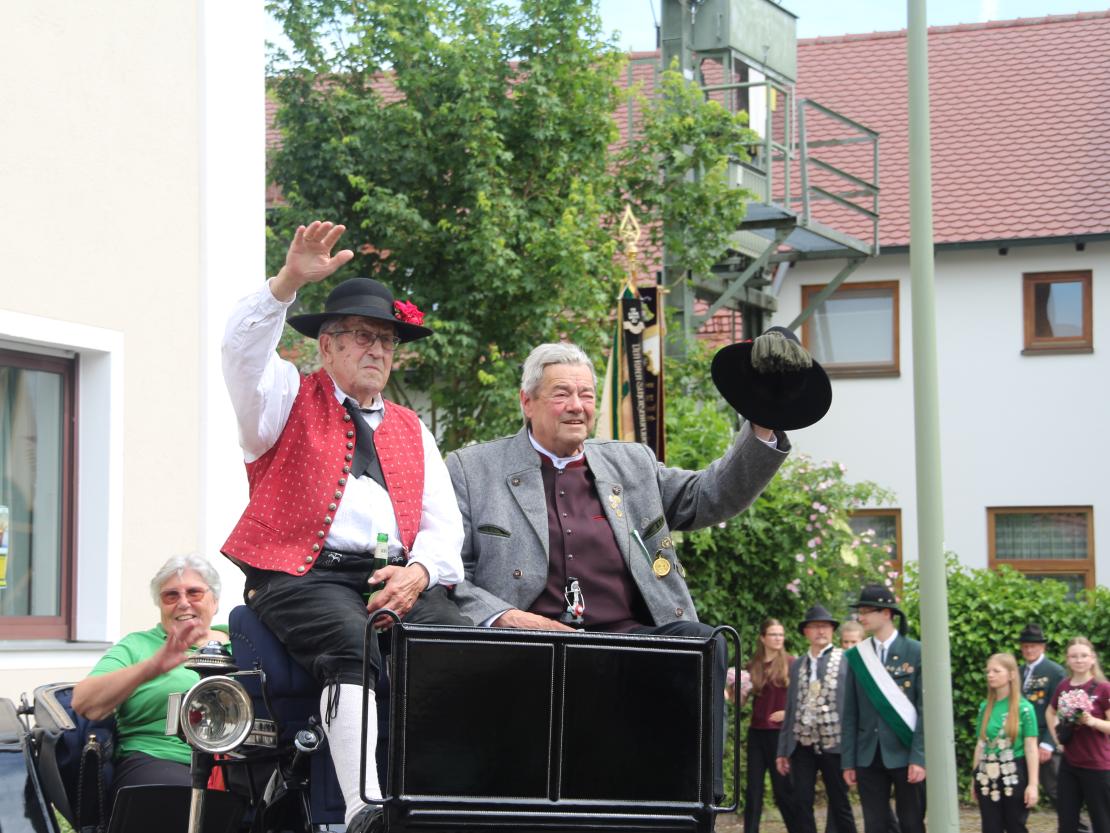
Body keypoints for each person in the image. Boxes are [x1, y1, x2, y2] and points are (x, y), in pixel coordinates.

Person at [445, 340, 804, 800]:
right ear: (527, 401)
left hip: (629, 645)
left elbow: (711, 496)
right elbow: (449, 571)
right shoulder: (472, 470)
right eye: (561, 394)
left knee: (701, 642)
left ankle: (699, 798)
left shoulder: (631, 464)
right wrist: (505, 618)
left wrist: (764, 419)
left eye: (587, 395)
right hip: (527, 651)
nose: (577, 407)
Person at [220, 220, 467, 833]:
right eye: (360, 337)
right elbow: (240, 353)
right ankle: (363, 810)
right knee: (353, 645)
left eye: (386, 340)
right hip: (301, 575)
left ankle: (457, 799)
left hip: (393, 574)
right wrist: (287, 283)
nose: (377, 350)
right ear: (325, 347)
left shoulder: (413, 428)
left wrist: (418, 573)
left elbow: (444, 528)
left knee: (468, 649)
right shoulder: (281, 400)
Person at [72, 555, 229, 802]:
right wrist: (152, 666)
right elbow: (84, 702)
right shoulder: (138, 646)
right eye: (171, 596)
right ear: (160, 604)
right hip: (159, 758)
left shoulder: (244, 642)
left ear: (215, 601)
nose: (183, 603)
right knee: (177, 800)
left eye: (194, 593)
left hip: (240, 763)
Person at [840, 585, 925, 833]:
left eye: (867, 611)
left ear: (887, 613)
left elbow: (924, 711)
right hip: (868, 754)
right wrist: (849, 762)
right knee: (874, 825)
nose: (861, 617)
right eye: (860, 611)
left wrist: (920, 758)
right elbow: (850, 713)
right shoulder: (858, 656)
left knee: (911, 823)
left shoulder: (915, 651)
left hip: (904, 751)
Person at [777, 605, 856, 833]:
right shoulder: (799, 664)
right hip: (803, 745)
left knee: (839, 803)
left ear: (832, 631)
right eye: (816, 627)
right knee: (801, 802)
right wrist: (783, 750)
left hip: (835, 744)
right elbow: (791, 708)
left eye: (826, 626)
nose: (821, 631)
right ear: (806, 632)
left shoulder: (846, 660)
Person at [1046, 637, 1110, 833]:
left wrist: (1091, 721)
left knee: (1103, 822)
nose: (1079, 660)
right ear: (1068, 660)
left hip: (1098, 766)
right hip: (1070, 764)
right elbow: (1050, 711)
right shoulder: (1063, 686)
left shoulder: (1103, 688)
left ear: (1092, 659)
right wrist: (1058, 739)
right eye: (1074, 656)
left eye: (1084, 655)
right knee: (1066, 822)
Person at [971, 653, 1040, 833]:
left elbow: (1031, 748)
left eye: (996, 671)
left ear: (1011, 675)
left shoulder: (1024, 708)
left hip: (1013, 772)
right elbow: (980, 745)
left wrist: (1033, 784)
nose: (990, 675)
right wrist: (974, 778)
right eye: (988, 671)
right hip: (987, 774)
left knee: (1015, 824)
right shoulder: (985, 707)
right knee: (990, 826)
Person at [743, 619, 795, 833]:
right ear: (763, 638)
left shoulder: (792, 663)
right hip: (757, 732)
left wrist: (787, 713)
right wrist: (736, 689)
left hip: (780, 735)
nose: (778, 638)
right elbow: (741, 701)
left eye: (781, 635)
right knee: (753, 790)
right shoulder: (752, 665)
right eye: (773, 634)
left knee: (783, 789)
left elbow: (802, 697)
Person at [1017, 624, 1067, 813]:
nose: (1029, 649)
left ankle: (1076, 828)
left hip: (1045, 739)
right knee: (1020, 788)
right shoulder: (1019, 671)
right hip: (1022, 739)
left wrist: (1048, 743)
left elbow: (1061, 710)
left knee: (1056, 790)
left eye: (1034, 646)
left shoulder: (1055, 671)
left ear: (1043, 647)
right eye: (1026, 646)